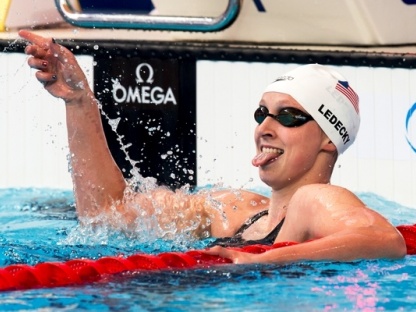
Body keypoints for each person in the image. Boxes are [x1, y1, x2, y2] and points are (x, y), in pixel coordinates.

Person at [19, 29, 406, 265]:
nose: (266, 127)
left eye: (288, 116)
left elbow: (385, 241)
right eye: (262, 114)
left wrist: (262, 260)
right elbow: (106, 217)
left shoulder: (316, 200)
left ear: (328, 139)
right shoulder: (236, 210)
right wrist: (79, 102)